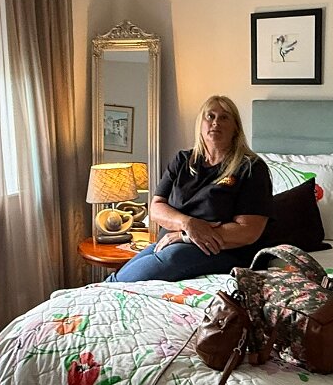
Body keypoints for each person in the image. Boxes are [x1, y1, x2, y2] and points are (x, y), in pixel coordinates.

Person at [107, 95, 273, 283]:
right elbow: (156, 208)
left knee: (169, 258)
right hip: (170, 242)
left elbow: (248, 231)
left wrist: (185, 236)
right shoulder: (183, 160)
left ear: (236, 127)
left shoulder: (251, 168)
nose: (216, 122)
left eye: (224, 117)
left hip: (223, 251)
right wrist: (187, 223)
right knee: (122, 275)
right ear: (201, 124)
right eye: (210, 116)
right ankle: (99, 292)